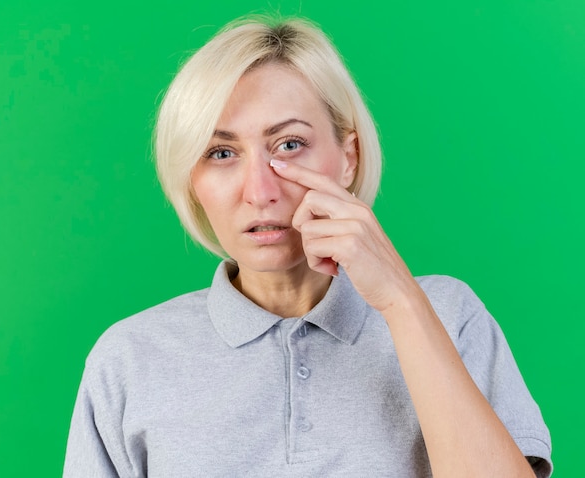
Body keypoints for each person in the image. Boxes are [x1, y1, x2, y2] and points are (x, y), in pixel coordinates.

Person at [63, 16, 552, 477]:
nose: (259, 190)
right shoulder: (127, 360)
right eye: (221, 153)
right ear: (192, 180)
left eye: (289, 144)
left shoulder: (450, 316)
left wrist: (400, 303)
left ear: (348, 158)